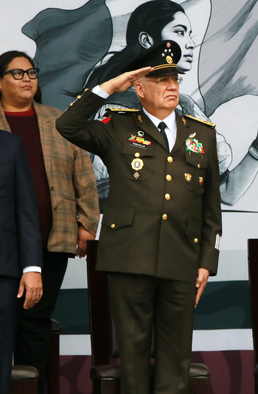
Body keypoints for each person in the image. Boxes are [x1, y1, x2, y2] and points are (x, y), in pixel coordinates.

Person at [56, 41, 222, 394]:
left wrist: (207, 261)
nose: (172, 86)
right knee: (132, 357)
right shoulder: (117, 126)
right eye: (161, 79)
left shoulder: (202, 134)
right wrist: (109, 87)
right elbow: (67, 125)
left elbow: (211, 208)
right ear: (140, 87)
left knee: (175, 359)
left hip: (182, 260)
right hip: (130, 258)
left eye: (175, 79)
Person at [85, 0, 258, 207]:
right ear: (146, 40)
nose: (190, 43)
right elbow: (107, 199)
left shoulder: (187, 109)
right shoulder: (117, 110)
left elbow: (226, 192)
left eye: (190, 34)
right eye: (179, 32)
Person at [0, 50, 99, 393]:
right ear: (0, 82)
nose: (27, 78)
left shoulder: (58, 121)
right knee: (6, 322)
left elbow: (84, 175)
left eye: (31, 72)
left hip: (52, 239)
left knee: (34, 321)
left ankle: (34, 387)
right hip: (5, 246)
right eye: (17, 73)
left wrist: (87, 224)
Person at [0, 131, 43, 394]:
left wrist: (32, 267)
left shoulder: (10, 143)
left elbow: (26, 208)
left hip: (3, 267)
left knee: (2, 354)